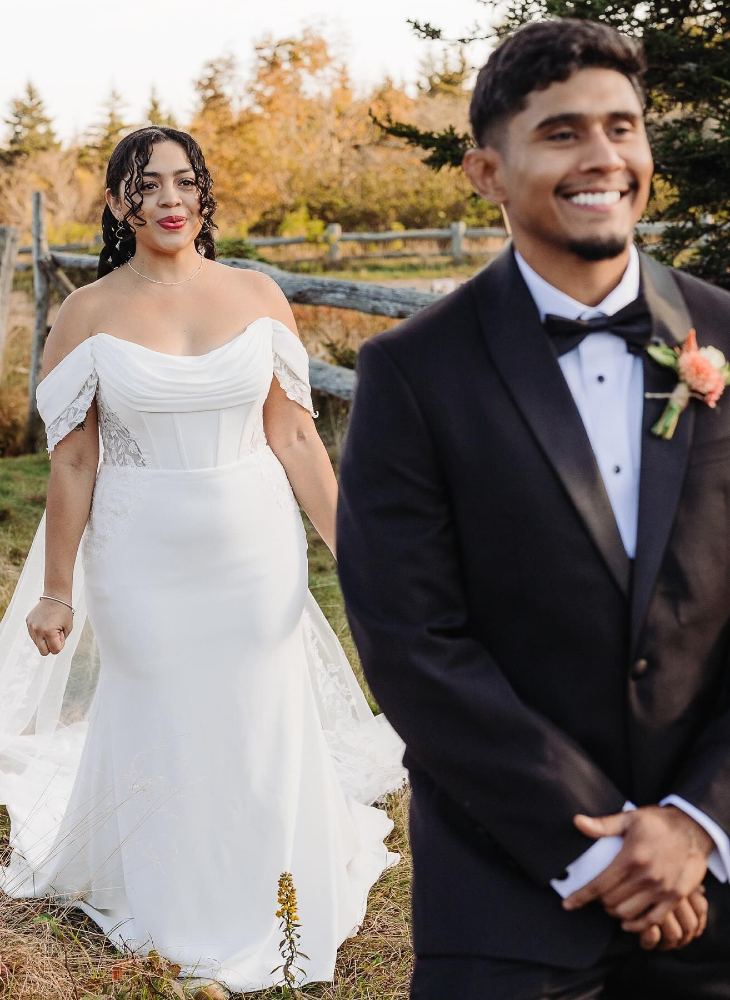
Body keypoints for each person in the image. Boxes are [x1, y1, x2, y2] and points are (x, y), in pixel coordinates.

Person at [0, 125, 406, 996]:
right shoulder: (86, 314)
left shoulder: (257, 294)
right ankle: (175, 902)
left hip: (254, 547)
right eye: (147, 185)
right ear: (119, 203)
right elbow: (75, 460)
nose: (170, 199)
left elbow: (296, 437)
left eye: (185, 182)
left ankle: (273, 884)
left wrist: (356, 552)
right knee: (164, 708)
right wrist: (58, 591)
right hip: (139, 552)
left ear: (204, 193)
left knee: (256, 708)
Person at [336, 19, 730, 999]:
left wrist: (697, 821)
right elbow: (411, 639)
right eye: (561, 133)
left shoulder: (725, 332)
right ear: (486, 172)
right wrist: (598, 848)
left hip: (717, 879)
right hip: (510, 893)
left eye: (621, 127)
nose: (603, 156)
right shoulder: (411, 372)